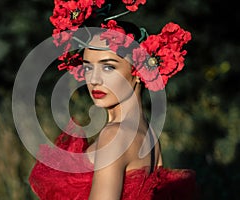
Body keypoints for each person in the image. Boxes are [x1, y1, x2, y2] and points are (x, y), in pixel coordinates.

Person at [29, 0, 198, 199]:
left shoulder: (115, 135)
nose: (93, 79)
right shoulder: (148, 133)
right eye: (88, 67)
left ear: (138, 71)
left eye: (108, 67)